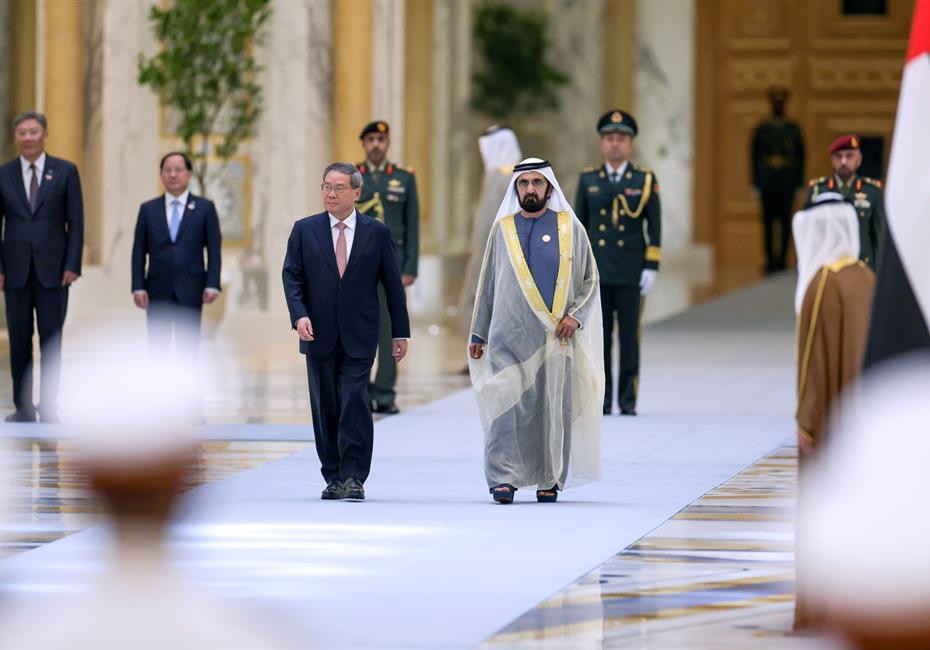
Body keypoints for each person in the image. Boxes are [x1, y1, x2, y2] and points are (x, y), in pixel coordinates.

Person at [469, 158, 603, 504]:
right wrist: (478, 333)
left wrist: (575, 315)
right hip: (506, 336)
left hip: (554, 338)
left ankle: (550, 476)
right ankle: (502, 477)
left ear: (548, 188)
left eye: (536, 183)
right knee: (505, 407)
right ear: (516, 188)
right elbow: (488, 284)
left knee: (551, 408)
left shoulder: (569, 228)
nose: (530, 189)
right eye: (524, 183)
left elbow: (590, 279)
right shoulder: (503, 230)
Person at [283, 163, 410, 501]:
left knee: (354, 401)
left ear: (357, 192)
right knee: (325, 404)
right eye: (326, 186)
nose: (331, 193)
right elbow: (292, 277)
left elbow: (392, 286)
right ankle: (333, 475)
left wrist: (400, 332)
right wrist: (299, 316)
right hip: (317, 333)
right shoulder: (304, 230)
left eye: (339, 188)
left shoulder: (376, 232)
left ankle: (354, 476)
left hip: (360, 332)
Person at [792, 192, 875, 630]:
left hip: (828, 423)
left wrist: (806, 420)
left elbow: (812, 362)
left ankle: (818, 614)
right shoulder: (866, 276)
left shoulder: (823, 281)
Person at [575, 110, 660, 416]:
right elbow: (579, 228)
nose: (615, 144)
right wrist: (578, 270)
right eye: (609, 138)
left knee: (629, 338)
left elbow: (655, 228)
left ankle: (627, 399)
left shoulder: (644, 180)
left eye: (621, 139)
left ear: (631, 144)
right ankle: (602, 398)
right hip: (597, 272)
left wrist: (651, 266)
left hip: (630, 271)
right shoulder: (588, 180)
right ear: (601, 143)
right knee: (599, 337)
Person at [0, 111, 83, 423]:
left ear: (45, 135)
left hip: (55, 272)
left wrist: (72, 264)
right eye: (22, 133)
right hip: (15, 271)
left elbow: (75, 222)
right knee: (20, 341)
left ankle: (49, 406)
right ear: (16, 138)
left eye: (33, 132)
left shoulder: (65, 172)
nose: (28, 138)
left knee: (51, 340)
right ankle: (23, 408)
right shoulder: (3, 174)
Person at [355, 120, 419, 415]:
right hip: (358, 266)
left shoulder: (404, 177)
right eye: (371, 140)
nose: (376, 144)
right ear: (364, 144)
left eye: (381, 139)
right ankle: (360, 391)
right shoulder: (354, 176)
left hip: (391, 265)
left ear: (388, 142)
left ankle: (385, 393)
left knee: (390, 330)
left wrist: (410, 266)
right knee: (359, 331)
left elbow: (412, 224)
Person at [131, 152, 222, 357]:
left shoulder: (205, 208)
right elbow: (138, 251)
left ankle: (190, 389)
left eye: (178, 170)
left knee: (188, 350)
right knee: (157, 349)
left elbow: (214, 249)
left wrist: (212, 283)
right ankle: (158, 389)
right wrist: (138, 286)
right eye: (167, 170)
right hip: (156, 289)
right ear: (161, 175)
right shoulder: (148, 209)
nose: (173, 175)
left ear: (189, 173)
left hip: (191, 288)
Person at [458, 125, 522, 337]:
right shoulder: (508, 175)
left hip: (492, 255)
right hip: (490, 253)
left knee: (477, 302)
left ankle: (480, 357)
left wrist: (477, 250)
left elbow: (490, 223)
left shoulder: (503, 177)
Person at [805, 134, 885, 269]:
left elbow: (879, 237)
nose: (843, 162)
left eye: (849, 156)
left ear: (859, 159)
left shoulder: (872, 192)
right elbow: (809, 235)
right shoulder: (818, 191)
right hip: (827, 267)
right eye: (838, 156)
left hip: (862, 267)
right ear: (832, 160)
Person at [750, 86, 805, 273]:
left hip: (786, 180)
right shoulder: (762, 128)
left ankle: (782, 259)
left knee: (785, 220)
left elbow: (801, 157)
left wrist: (799, 182)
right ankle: (769, 259)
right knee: (767, 221)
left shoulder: (793, 128)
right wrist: (755, 183)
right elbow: (754, 156)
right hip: (767, 180)